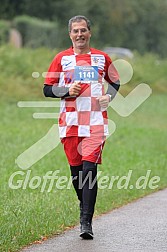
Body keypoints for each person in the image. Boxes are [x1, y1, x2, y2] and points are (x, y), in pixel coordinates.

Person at [43, 15, 120, 239]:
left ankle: (86, 223)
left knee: (90, 171)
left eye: (83, 30)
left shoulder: (102, 58)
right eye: (75, 31)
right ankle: (84, 205)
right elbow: (47, 89)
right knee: (77, 175)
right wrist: (67, 91)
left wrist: (109, 96)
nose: (80, 34)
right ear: (70, 34)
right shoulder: (61, 59)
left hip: (96, 122)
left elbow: (115, 81)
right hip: (70, 124)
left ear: (89, 32)